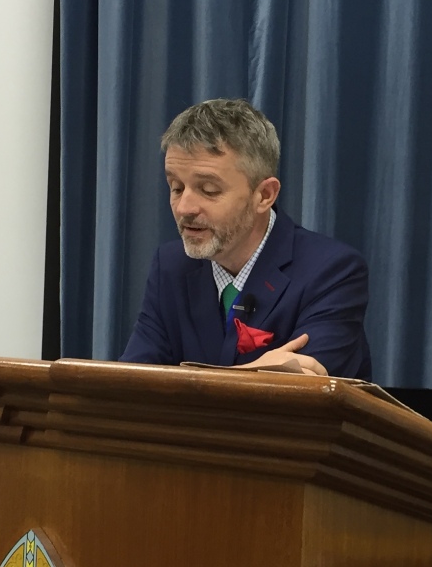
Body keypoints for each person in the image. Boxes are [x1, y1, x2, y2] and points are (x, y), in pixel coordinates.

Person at [120, 98, 373, 380]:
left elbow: (303, 391)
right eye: (176, 187)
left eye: (209, 190)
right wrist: (254, 373)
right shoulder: (171, 266)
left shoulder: (332, 271)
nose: (184, 208)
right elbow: (132, 386)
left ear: (264, 195)